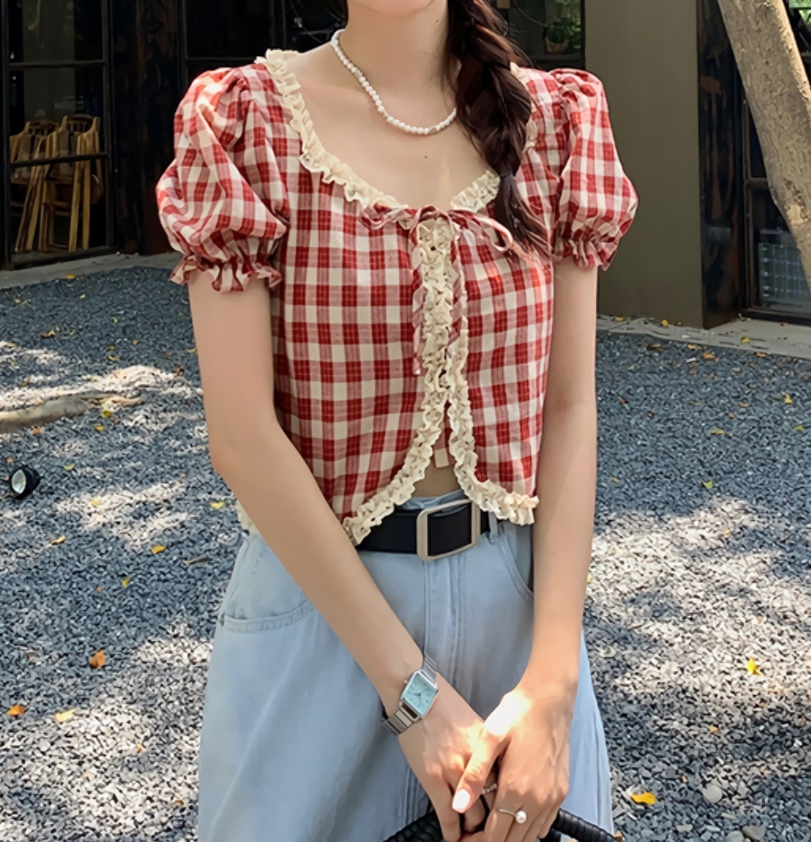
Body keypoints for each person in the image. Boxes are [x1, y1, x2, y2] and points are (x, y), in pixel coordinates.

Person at [155, 1, 638, 840]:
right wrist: (412, 695)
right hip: (322, 619)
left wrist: (553, 682)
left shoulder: (557, 123)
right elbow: (242, 436)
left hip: (519, 622)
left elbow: (569, 409)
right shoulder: (243, 123)